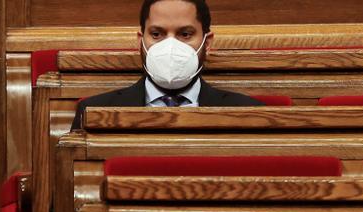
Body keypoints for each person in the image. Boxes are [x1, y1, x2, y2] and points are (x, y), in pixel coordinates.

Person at [72, 0, 263, 129]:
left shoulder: (248, 113)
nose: (170, 46)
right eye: (157, 34)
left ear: (208, 42)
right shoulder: (94, 112)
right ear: (141, 41)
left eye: (185, 34)